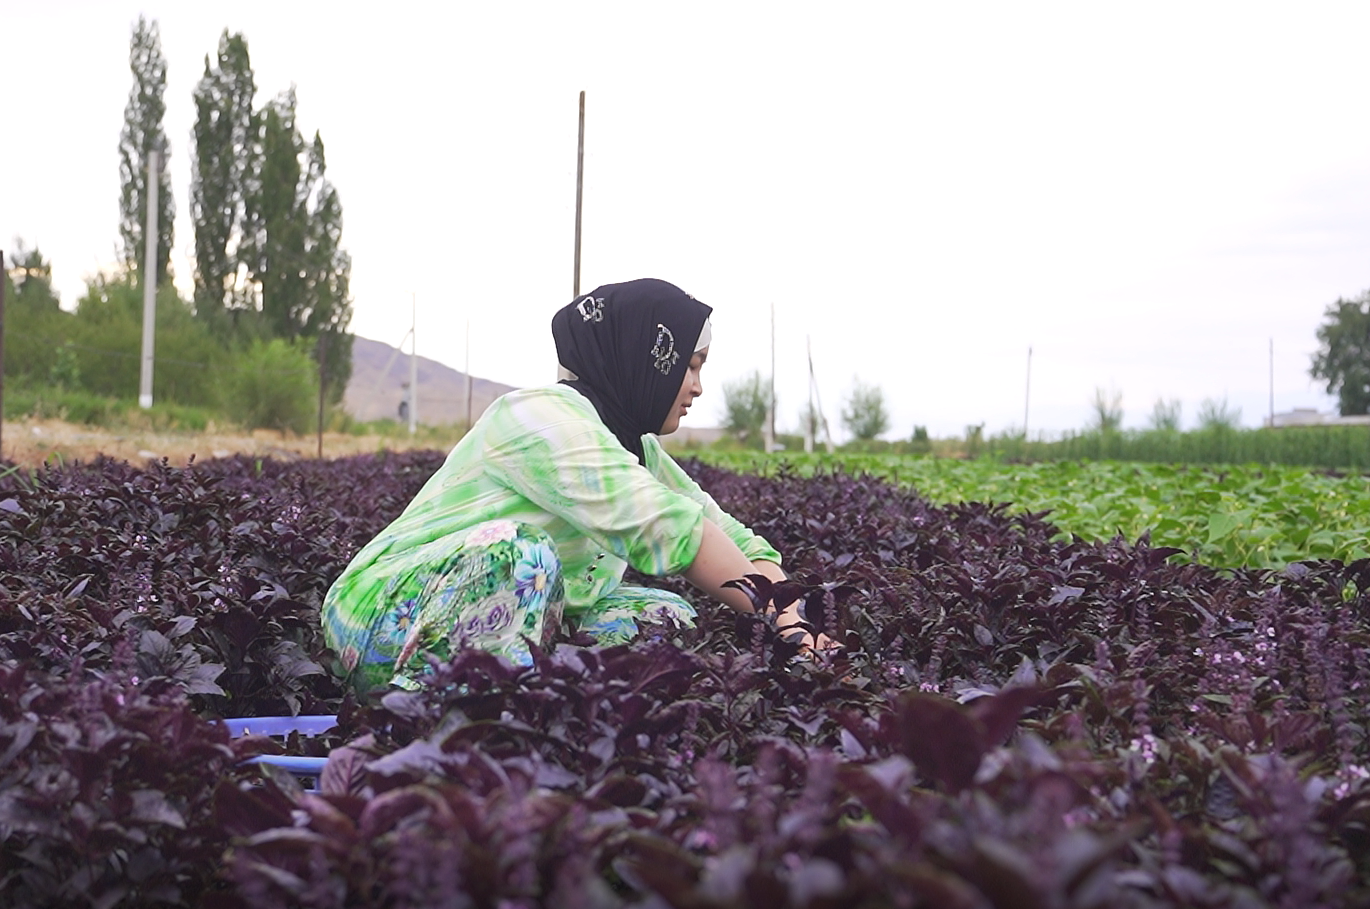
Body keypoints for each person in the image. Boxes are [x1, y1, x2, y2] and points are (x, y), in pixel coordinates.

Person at [322, 278, 809, 692]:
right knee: (519, 553)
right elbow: (662, 525)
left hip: (492, 623)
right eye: (692, 364)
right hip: (381, 617)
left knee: (666, 616)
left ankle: (554, 712)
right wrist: (783, 620)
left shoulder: (636, 448)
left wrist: (800, 624)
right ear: (648, 358)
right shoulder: (539, 417)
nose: (698, 387)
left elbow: (730, 537)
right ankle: (458, 725)